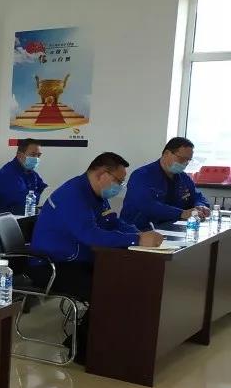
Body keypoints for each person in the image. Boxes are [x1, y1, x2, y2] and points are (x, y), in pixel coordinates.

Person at [30, 152, 163, 362]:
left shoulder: (96, 195)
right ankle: (86, 351)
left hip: (79, 260)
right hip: (52, 265)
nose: (120, 186)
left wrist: (138, 233)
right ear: (102, 174)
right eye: (119, 181)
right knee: (108, 289)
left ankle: (112, 342)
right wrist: (136, 240)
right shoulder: (73, 195)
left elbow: (112, 222)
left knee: (127, 280)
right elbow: (90, 235)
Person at [121, 137, 211, 229]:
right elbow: (146, 205)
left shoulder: (183, 177)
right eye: (181, 159)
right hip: (138, 230)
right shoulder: (141, 175)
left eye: (188, 160)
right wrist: (182, 213)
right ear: (166, 153)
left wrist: (200, 206)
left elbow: (197, 196)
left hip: (171, 227)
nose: (185, 163)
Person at [0, 139, 48, 215]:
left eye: (38, 155)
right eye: (33, 154)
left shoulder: (30, 172)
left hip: (19, 213)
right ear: (19, 155)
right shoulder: (8, 173)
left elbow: (44, 189)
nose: (36, 158)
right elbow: (24, 199)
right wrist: (42, 197)